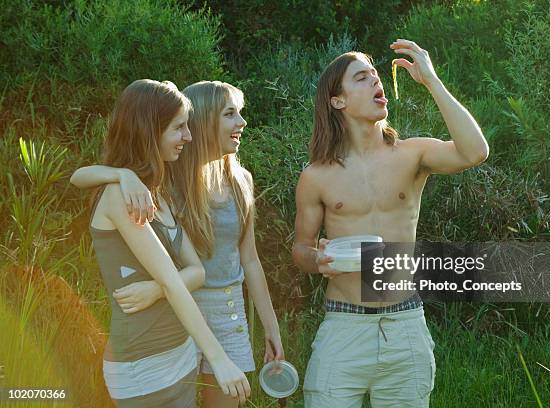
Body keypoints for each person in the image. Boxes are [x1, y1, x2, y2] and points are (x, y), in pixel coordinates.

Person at [292, 39, 489, 407]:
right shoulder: (316, 176)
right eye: (362, 78)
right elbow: (301, 249)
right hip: (344, 327)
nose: (375, 81)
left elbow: (475, 152)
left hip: (405, 325)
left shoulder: (412, 154)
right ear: (338, 101)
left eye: (376, 76)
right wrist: (316, 261)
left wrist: (431, 80)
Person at [72, 80, 284, 408]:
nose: (241, 123)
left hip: (197, 331)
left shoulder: (171, 189)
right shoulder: (162, 183)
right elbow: (79, 177)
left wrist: (269, 327)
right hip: (161, 339)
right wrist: (120, 175)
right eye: (230, 114)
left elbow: (225, 265)